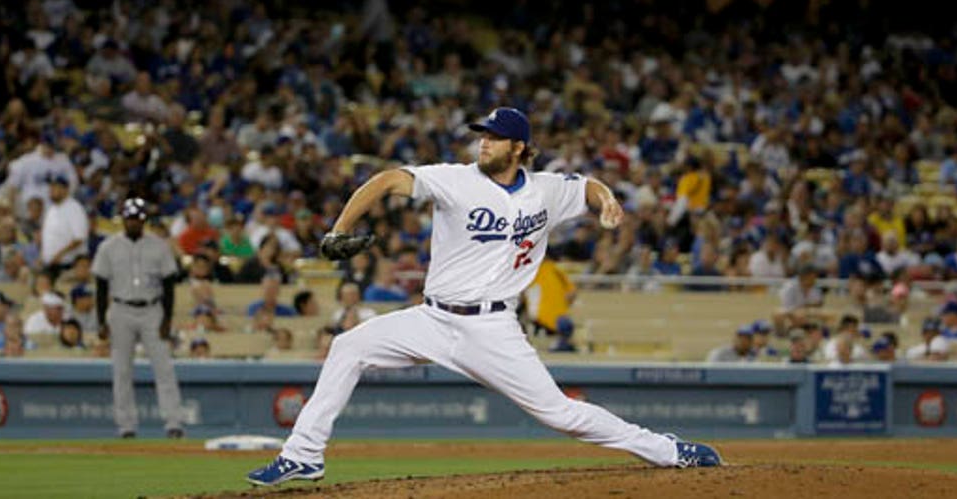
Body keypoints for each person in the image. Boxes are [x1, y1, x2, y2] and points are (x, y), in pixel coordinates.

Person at [247, 107, 721, 487]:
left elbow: (588, 187)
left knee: (561, 414)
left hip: (492, 329)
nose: (483, 142)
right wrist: (340, 228)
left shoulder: (546, 191)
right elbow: (389, 179)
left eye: (493, 137)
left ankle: (668, 450)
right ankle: (303, 456)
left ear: (518, 147)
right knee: (348, 346)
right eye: (482, 134)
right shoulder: (457, 179)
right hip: (432, 319)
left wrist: (607, 201)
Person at [93, 197, 185, 439]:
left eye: (138, 218)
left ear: (144, 219)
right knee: (122, 371)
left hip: (152, 309)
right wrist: (101, 320)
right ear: (123, 218)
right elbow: (101, 285)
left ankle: (173, 422)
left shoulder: (159, 245)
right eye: (130, 217)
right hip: (121, 309)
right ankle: (126, 426)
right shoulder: (108, 246)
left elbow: (169, 285)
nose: (134, 222)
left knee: (164, 368)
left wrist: (167, 320)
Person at [39, 174, 89, 279]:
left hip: (68, 265)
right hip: (51, 265)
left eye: (55, 187)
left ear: (65, 189)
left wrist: (59, 255)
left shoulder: (74, 208)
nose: (51, 190)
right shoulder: (51, 209)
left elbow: (79, 238)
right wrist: (43, 256)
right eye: (50, 187)